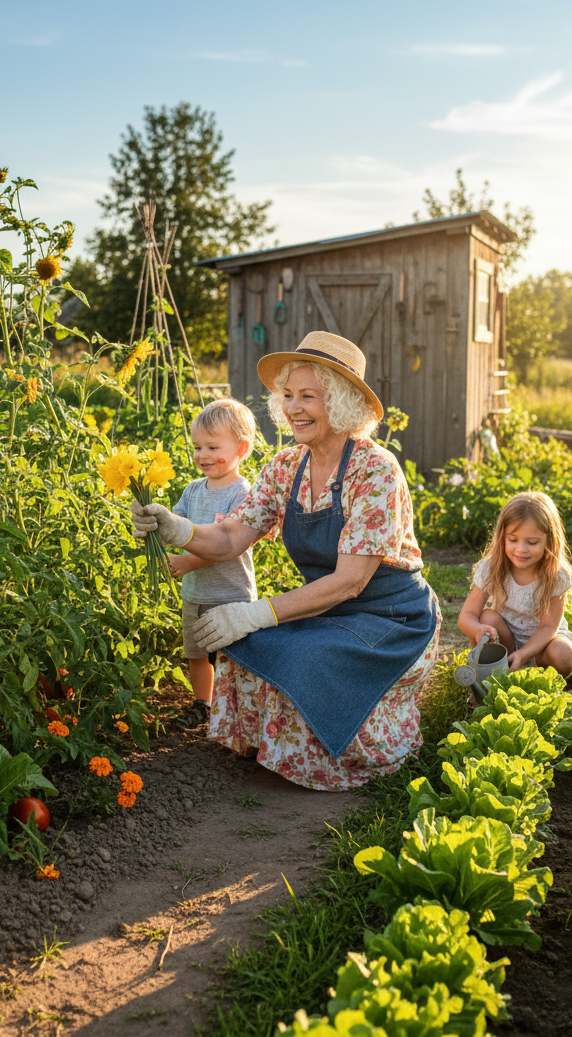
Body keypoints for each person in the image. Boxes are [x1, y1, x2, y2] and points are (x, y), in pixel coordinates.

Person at [132, 331, 440, 791]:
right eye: (288, 396)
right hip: (327, 610)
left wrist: (256, 612)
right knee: (249, 648)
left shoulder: (375, 471)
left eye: (308, 397)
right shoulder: (285, 467)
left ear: (340, 404)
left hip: (390, 619)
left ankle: (337, 750)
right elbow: (232, 536)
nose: (293, 408)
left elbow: (349, 583)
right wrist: (176, 528)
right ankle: (274, 748)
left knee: (299, 656)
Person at [169, 399, 258, 729]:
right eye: (197, 447)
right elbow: (176, 523)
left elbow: (231, 545)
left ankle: (233, 712)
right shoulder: (193, 490)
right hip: (195, 594)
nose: (203, 455)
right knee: (195, 654)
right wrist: (158, 527)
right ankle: (202, 705)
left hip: (229, 593)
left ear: (242, 448)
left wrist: (190, 562)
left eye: (212, 446)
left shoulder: (242, 492)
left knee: (228, 656)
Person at [458, 491, 572, 676]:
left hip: (544, 644)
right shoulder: (492, 568)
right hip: (506, 640)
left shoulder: (556, 575)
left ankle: (544, 681)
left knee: (564, 654)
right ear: (502, 537)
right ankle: (494, 673)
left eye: (532, 542)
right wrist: (476, 629)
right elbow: (466, 616)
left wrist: (524, 654)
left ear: (550, 540)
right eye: (513, 540)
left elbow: (549, 626)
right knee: (487, 618)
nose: (521, 549)